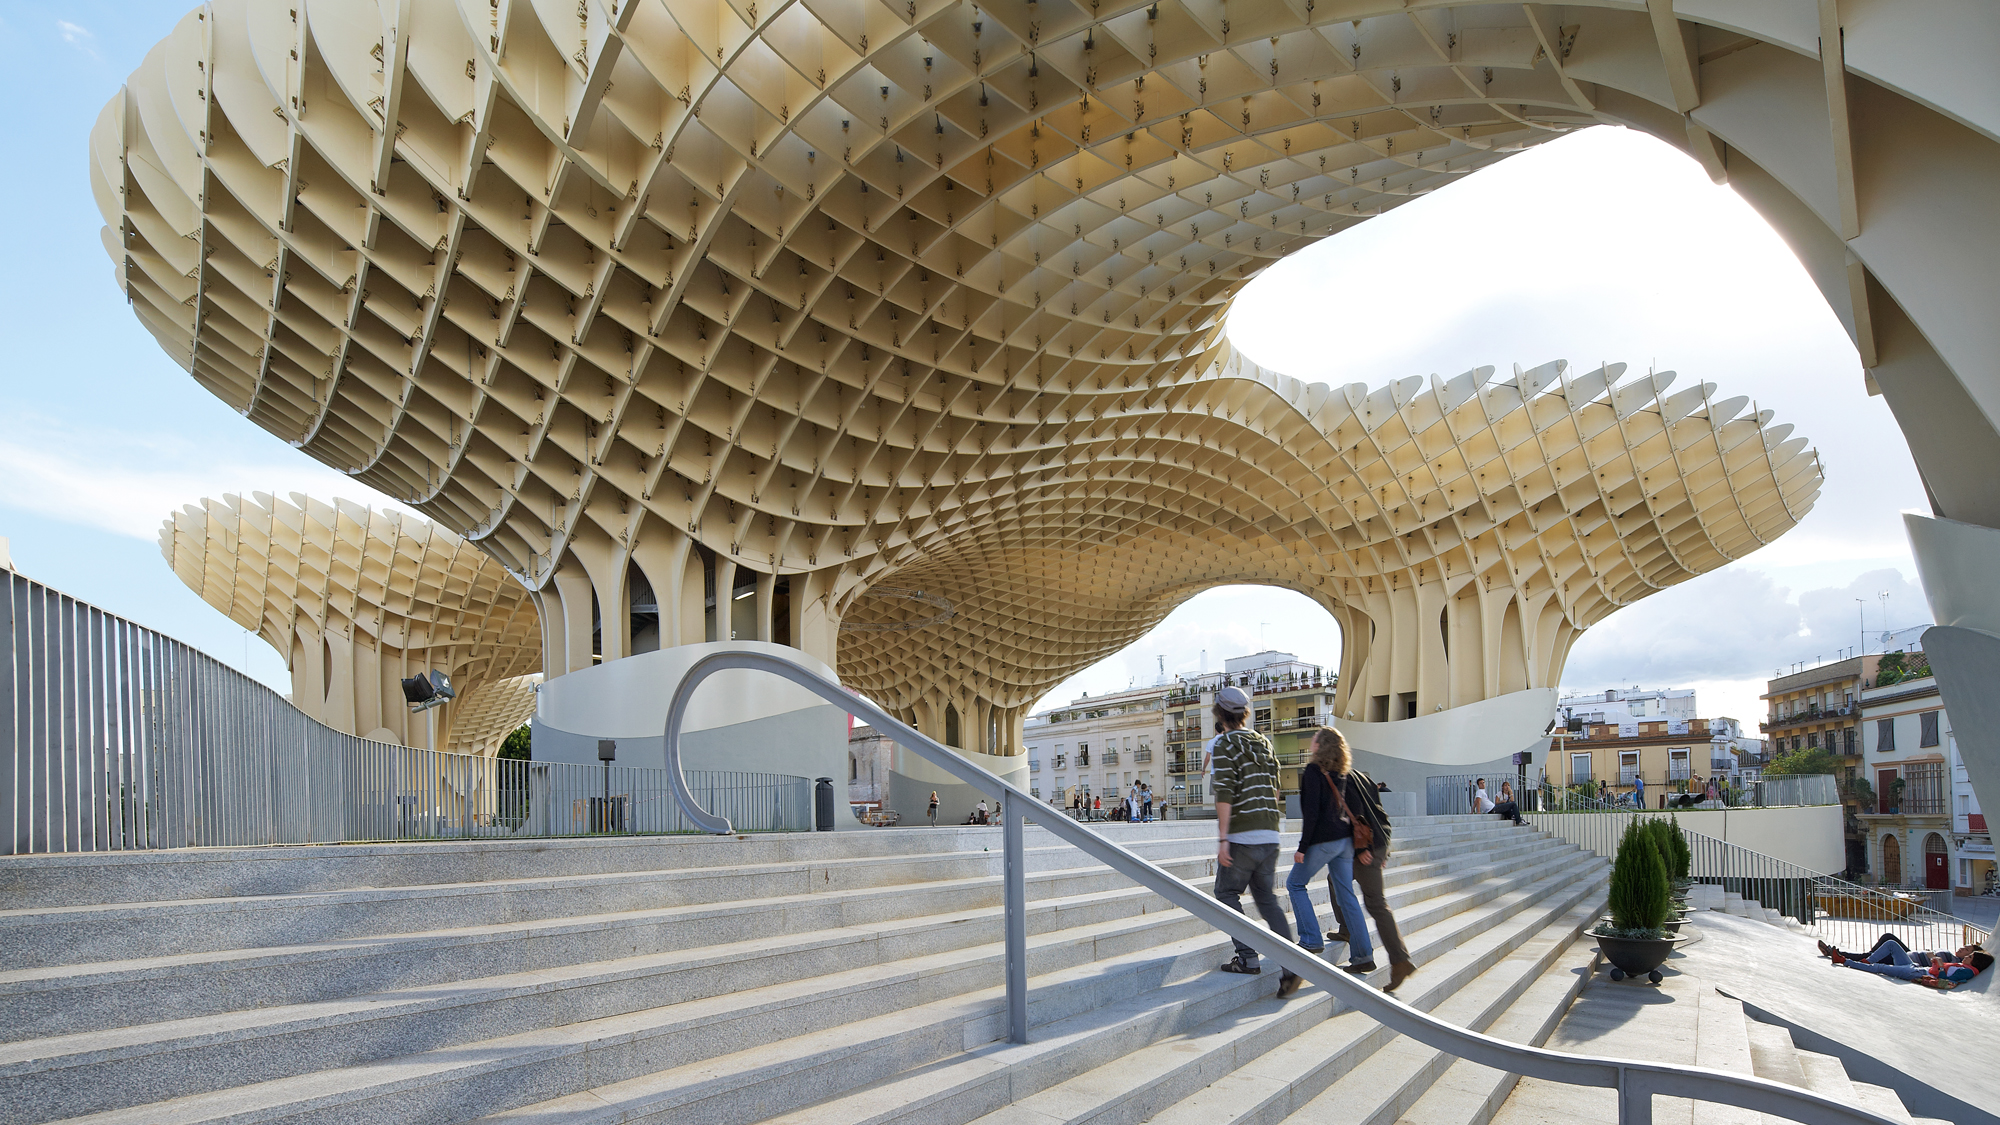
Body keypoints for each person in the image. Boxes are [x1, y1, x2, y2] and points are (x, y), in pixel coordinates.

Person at [1304, 728, 1418, 992]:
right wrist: (1383, 848)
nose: (1312, 746)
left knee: (1376, 904)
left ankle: (1399, 960)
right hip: (1374, 845)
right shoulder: (1363, 777)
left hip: (1362, 849)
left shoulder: (1340, 779)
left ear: (1324, 748)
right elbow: (1380, 815)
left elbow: (1354, 817)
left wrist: (1363, 850)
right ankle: (1346, 927)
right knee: (1336, 881)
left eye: (1315, 742)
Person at [1208, 685, 1303, 998]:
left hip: (1242, 836)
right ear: (1245, 713)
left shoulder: (1224, 744)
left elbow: (1224, 792)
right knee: (1266, 899)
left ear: (1220, 714)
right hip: (1270, 833)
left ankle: (1247, 957)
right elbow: (1275, 789)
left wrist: (1223, 838)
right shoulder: (1263, 741)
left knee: (1225, 893)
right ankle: (1291, 968)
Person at [1285, 729, 1374, 974]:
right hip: (1345, 841)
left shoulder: (1314, 772)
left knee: (1294, 883)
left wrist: (1302, 848)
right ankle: (1363, 955)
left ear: (1321, 745)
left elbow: (1311, 813)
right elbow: (1355, 807)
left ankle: (1311, 939)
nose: (1311, 741)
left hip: (1324, 840)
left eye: (1315, 738)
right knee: (1347, 897)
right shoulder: (1342, 773)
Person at [1819, 934, 1991, 987]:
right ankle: (1865, 961)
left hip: (1915, 971)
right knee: (1890, 942)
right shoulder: (1962, 965)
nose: (1965, 954)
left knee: (1880, 967)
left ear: (1974, 962)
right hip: (1914, 965)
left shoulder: (1966, 970)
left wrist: (1938, 965)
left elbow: (1946, 979)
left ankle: (1844, 960)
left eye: (1969, 954)